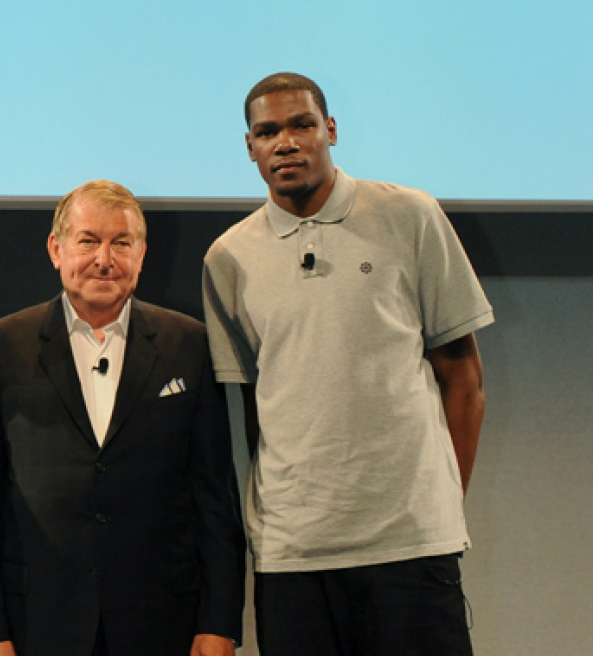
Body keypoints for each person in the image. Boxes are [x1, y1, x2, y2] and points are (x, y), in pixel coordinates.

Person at [202, 72, 492, 655]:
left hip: (410, 547)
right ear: (250, 147)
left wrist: (436, 504)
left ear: (330, 130)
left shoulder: (411, 215)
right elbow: (260, 412)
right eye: (268, 131)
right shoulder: (228, 257)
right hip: (294, 555)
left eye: (301, 125)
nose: (286, 142)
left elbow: (463, 378)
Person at [0, 180, 246, 656]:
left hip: (164, 623)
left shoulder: (189, 345)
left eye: (121, 243)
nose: (104, 259)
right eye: (88, 240)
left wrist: (219, 622)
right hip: (39, 625)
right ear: (56, 249)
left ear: (142, 252)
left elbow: (215, 498)